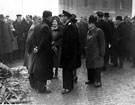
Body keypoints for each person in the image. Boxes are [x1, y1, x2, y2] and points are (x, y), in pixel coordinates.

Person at [29, 11, 53, 93]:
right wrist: (39, 48)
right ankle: (41, 88)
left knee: (38, 69)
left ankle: (38, 86)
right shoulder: (45, 27)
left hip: (38, 51)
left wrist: (36, 47)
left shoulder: (37, 26)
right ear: (49, 17)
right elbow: (44, 40)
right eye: (51, 17)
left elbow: (33, 39)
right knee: (43, 70)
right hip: (44, 52)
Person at [60, 10, 79, 94]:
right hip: (69, 53)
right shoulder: (69, 25)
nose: (62, 18)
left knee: (67, 70)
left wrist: (67, 54)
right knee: (68, 70)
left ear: (66, 17)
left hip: (68, 54)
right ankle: (68, 86)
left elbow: (70, 42)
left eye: (63, 16)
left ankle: (67, 87)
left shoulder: (70, 26)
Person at [85, 15, 105, 87]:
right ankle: (91, 79)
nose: (88, 24)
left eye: (89, 23)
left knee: (97, 67)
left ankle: (97, 81)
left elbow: (102, 43)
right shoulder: (88, 32)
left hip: (96, 53)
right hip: (89, 53)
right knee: (89, 66)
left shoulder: (99, 31)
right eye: (88, 23)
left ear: (93, 24)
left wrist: (102, 53)